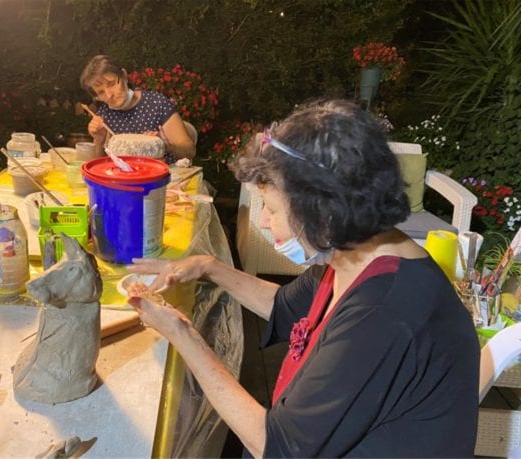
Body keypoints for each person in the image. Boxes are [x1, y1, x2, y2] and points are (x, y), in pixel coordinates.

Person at [127, 99, 479, 458]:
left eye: (273, 208)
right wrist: (208, 266)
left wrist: (183, 334)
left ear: (325, 212)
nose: (263, 221)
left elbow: (276, 448)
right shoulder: (355, 253)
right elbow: (283, 305)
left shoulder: (383, 314)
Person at [79, 55, 196, 163]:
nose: (109, 95)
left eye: (112, 84)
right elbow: (100, 166)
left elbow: (189, 151)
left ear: (124, 76)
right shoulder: (104, 115)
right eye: (100, 92)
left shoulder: (156, 104)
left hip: (163, 180)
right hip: (124, 181)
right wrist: (99, 140)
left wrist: (164, 145)